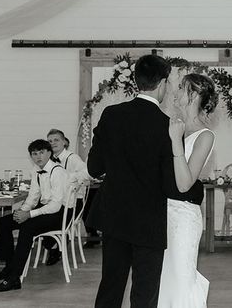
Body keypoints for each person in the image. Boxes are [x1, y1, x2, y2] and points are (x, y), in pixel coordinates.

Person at [87, 54, 177, 308]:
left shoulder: (111, 115)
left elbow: (94, 168)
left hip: (114, 215)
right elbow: (170, 184)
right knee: (144, 292)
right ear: (162, 83)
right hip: (149, 219)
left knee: (111, 286)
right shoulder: (166, 125)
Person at [161, 73, 217, 307]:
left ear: (193, 95)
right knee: (165, 282)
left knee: (182, 282)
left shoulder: (205, 136)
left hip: (183, 219)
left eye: (182, 88)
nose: (175, 92)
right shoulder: (174, 127)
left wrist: (175, 140)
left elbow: (184, 183)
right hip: (162, 215)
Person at [0, 139, 71, 293]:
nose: (38, 156)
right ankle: (9, 266)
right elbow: (33, 197)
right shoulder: (36, 170)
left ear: (49, 153)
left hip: (60, 214)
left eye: (41, 152)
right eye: (34, 154)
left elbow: (55, 205)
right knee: (3, 223)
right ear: (31, 156)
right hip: (45, 208)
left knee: (27, 227)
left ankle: (14, 278)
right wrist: (22, 212)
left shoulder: (57, 171)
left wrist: (29, 214)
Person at [44, 128, 89, 266]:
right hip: (58, 201)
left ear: (64, 142)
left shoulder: (72, 158)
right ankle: (53, 244)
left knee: (47, 215)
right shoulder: (48, 160)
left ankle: (55, 246)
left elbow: (87, 173)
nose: (53, 143)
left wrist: (69, 179)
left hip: (74, 203)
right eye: (50, 141)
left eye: (56, 140)